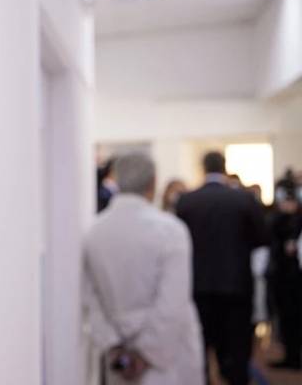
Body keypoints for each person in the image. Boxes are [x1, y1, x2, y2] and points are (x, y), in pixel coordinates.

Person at [84, 153, 204, 385]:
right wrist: (146, 353)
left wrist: (114, 347)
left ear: (116, 179)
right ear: (153, 182)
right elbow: (173, 302)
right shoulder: (171, 230)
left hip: (121, 352)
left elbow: (90, 299)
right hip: (167, 354)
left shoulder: (94, 232)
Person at [176, 151, 267, 385]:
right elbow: (261, 239)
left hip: (198, 287)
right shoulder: (244, 199)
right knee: (237, 350)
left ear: (203, 168)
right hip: (236, 286)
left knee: (200, 349)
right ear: (224, 167)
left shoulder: (186, 201)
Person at [266, 171, 302, 369]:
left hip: (295, 275)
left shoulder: (298, 216)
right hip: (281, 273)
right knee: (285, 318)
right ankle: (290, 355)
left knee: (295, 317)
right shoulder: (277, 216)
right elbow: (270, 231)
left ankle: (295, 357)